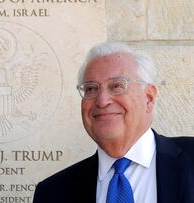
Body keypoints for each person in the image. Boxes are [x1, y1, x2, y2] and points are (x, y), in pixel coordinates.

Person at [33, 42, 194, 203]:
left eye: (117, 86)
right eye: (91, 89)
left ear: (149, 98)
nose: (102, 101)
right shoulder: (52, 193)